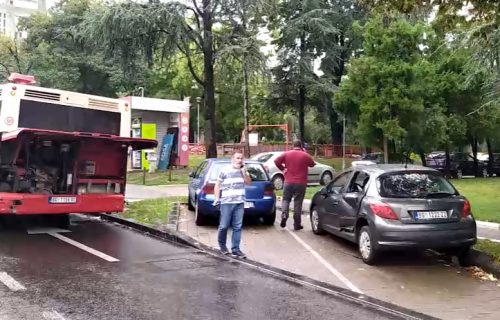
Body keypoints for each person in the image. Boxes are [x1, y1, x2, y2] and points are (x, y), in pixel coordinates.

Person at [213, 151, 252, 258]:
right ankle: (222, 245)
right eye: (238, 158)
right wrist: (217, 198)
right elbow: (217, 185)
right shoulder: (224, 170)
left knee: (237, 226)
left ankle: (235, 249)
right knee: (224, 225)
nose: (240, 160)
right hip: (227, 202)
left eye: (241, 158)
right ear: (233, 159)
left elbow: (249, 182)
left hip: (239, 202)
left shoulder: (243, 171)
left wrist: (244, 172)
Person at [274, 140, 315, 230]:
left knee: (286, 199)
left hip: (288, 182)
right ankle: (297, 224)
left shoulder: (286, 154)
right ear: (301, 146)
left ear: (293, 146)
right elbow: (312, 164)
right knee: (298, 203)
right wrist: (305, 153)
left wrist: (283, 169)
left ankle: (284, 214)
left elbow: (276, 161)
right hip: (301, 183)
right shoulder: (305, 155)